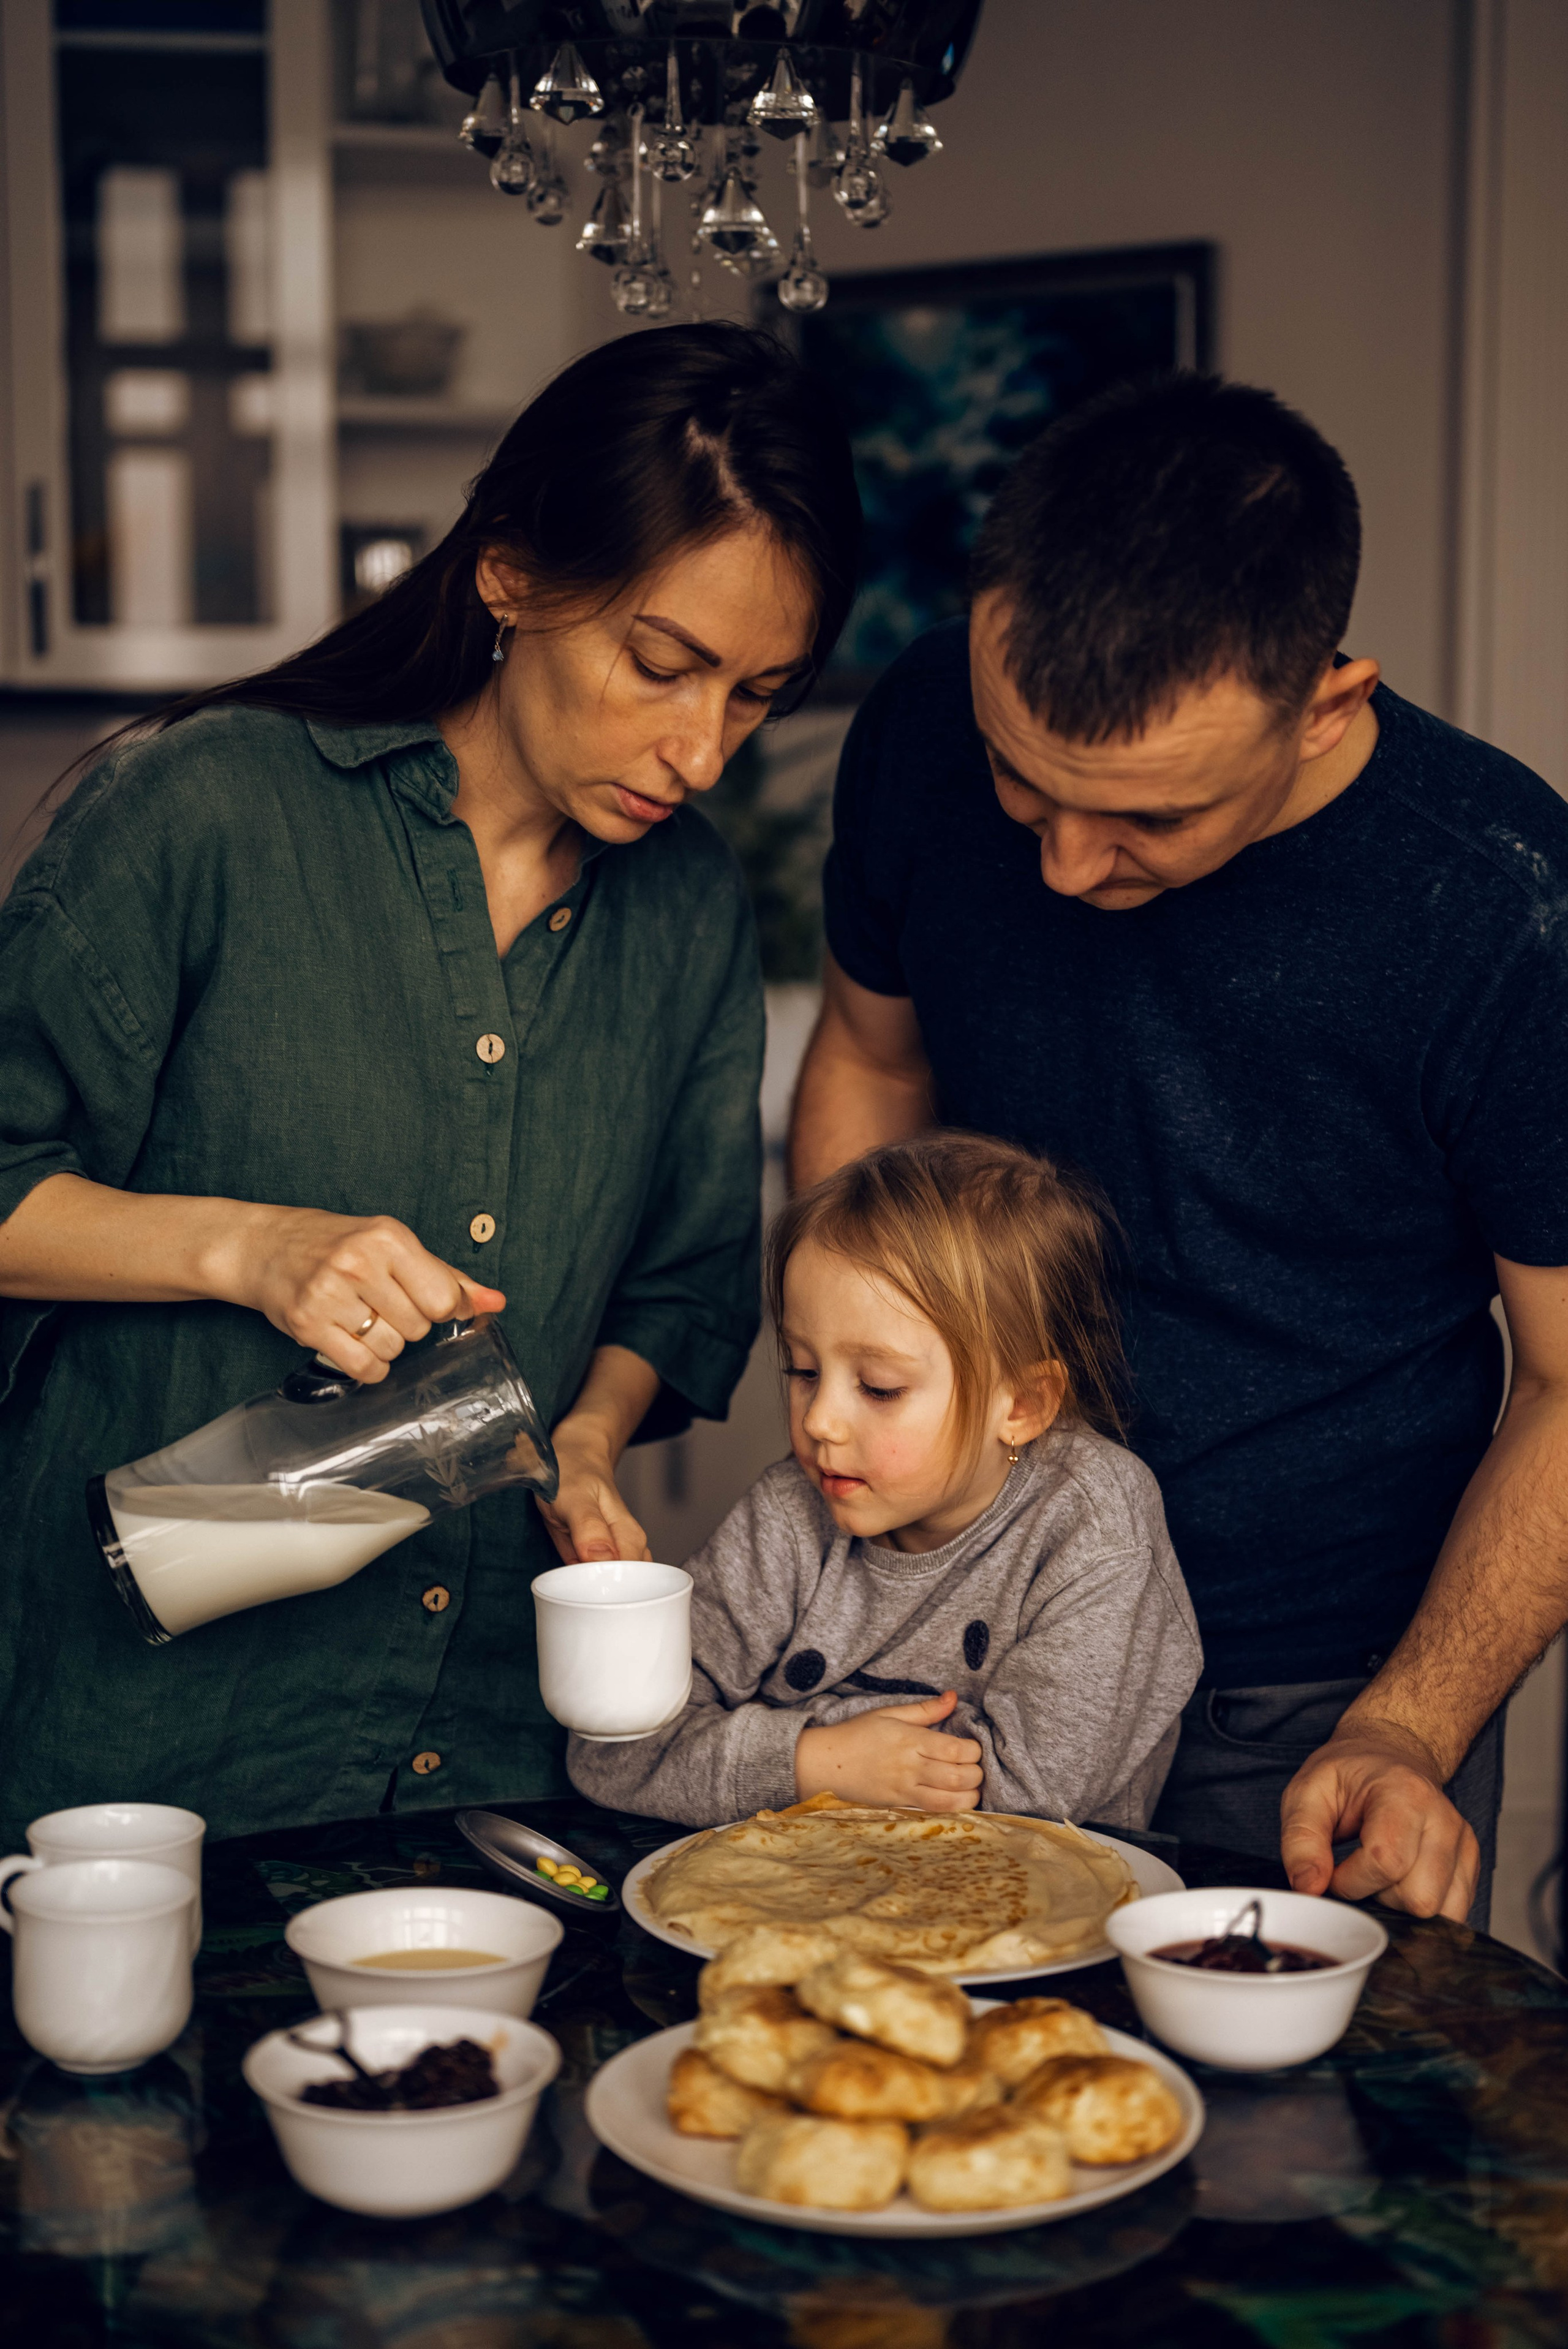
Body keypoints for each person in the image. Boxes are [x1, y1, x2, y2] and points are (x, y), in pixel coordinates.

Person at [0, 323, 861, 1848]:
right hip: (152, 1747)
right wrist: (250, 1248)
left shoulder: (685, 907)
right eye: (662, 665)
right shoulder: (210, 810)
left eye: (754, 697)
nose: (699, 753)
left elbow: (678, 1289)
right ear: (510, 573)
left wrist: (587, 1437)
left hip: (493, 1745)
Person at [790, 373, 1568, 1927]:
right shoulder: (924, 724)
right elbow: (872, 1057)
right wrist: (854, 1392)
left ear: (1324, 703)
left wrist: (1406, 1727)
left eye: (1146, 818)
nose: (1065, 866)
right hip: (949, 1629)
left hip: (1302, 1694)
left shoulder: (1496, 907)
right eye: (1022, 785)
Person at [568, 1132, 1201, 1828]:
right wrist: (818, 1763)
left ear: (1021, 1405)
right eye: (804, 1371)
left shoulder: (1096, 1524)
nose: (820, 1421)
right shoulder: (787, 1514)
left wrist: (795, 1749)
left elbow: (1026, 1796)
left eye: (878, 1386)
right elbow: (615, 1749)